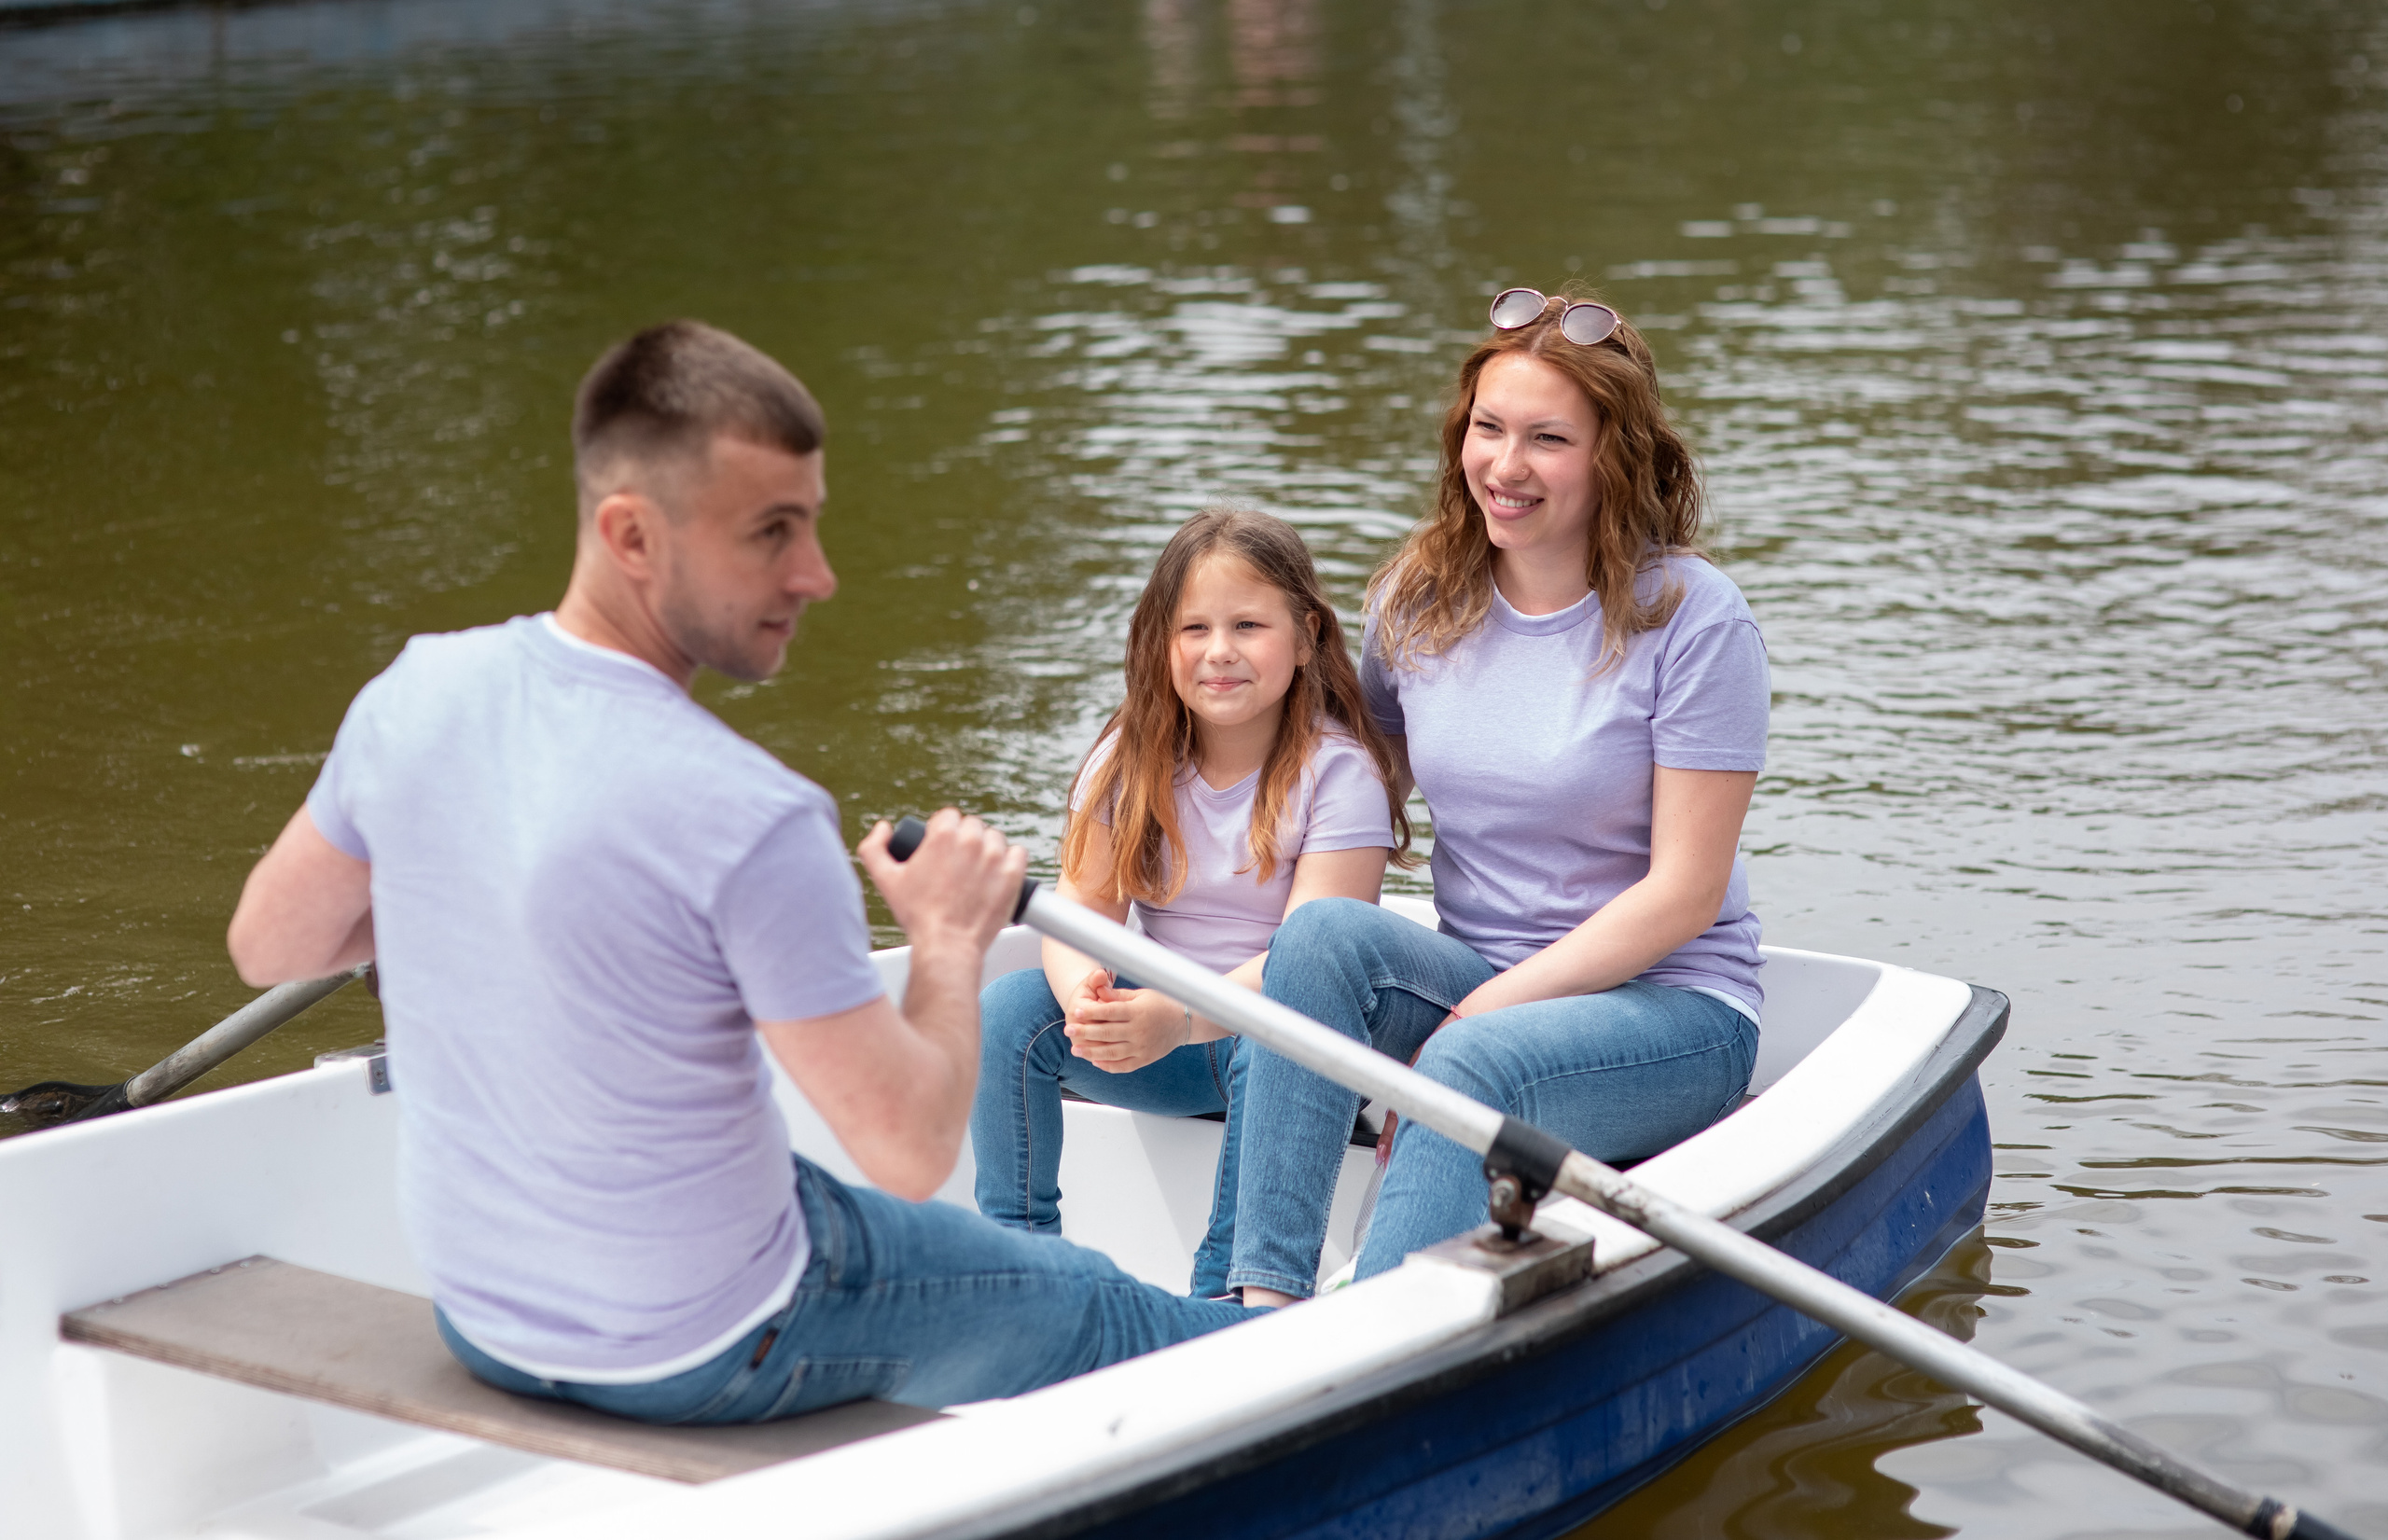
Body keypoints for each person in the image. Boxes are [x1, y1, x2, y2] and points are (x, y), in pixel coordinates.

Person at [224, 320, 1252, 1422]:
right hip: (713, 1340)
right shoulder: (753, 817)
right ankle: (1303, 1353)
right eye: (770, 533)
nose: (816, 575)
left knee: (835, 1204)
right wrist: (948, 939)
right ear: (631, 535)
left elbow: (269, 945)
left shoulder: (415, 694)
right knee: (1092, 1301)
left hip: (486, 1318)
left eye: (808, 523)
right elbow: (906, 1149)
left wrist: (476, 884)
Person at [1225, 287, 1769, 1307]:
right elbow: (1345, 791)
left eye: (1547, 439)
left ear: (1613, 456)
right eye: (1488, 428)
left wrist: (1476, 1018)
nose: (1504, 466)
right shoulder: (1418, 598)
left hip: (1671, 1009)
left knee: (1475, 1065)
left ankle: (1368, 1343)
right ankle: (1256, 1302)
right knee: (1322, 942)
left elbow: (1685, 894)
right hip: (1477, 978)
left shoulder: (1694, 620)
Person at [971, 509, 1406, 1297]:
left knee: (1272, 1041)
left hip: (1276, 1041)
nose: (1219, 652)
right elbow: (1081, 908)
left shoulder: (1337, 775)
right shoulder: (1127, 758)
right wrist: (1087, 1002)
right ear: (1160, 642)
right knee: (1008, 1011)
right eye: (1193, 628)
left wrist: (1176, 1015)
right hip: (1162, 1041)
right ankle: (1022, 1266)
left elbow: (1310, 964)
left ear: (1307, 636)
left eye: (1248, 624)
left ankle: (1221, 1292)